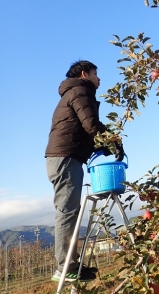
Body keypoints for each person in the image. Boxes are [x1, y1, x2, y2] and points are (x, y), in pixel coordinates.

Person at [45, 60, 124, 282]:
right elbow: (91, 125)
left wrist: (98, 145)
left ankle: (71, 263)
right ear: (84, 74)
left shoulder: (72, 92)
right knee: (67, 212)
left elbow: (81, 129)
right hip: (65, 159)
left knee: (69, 210)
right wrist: (113, 141)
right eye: (95, 73)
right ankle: (65, 267)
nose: (99, 78)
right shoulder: (80, 91)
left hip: (65, 157)